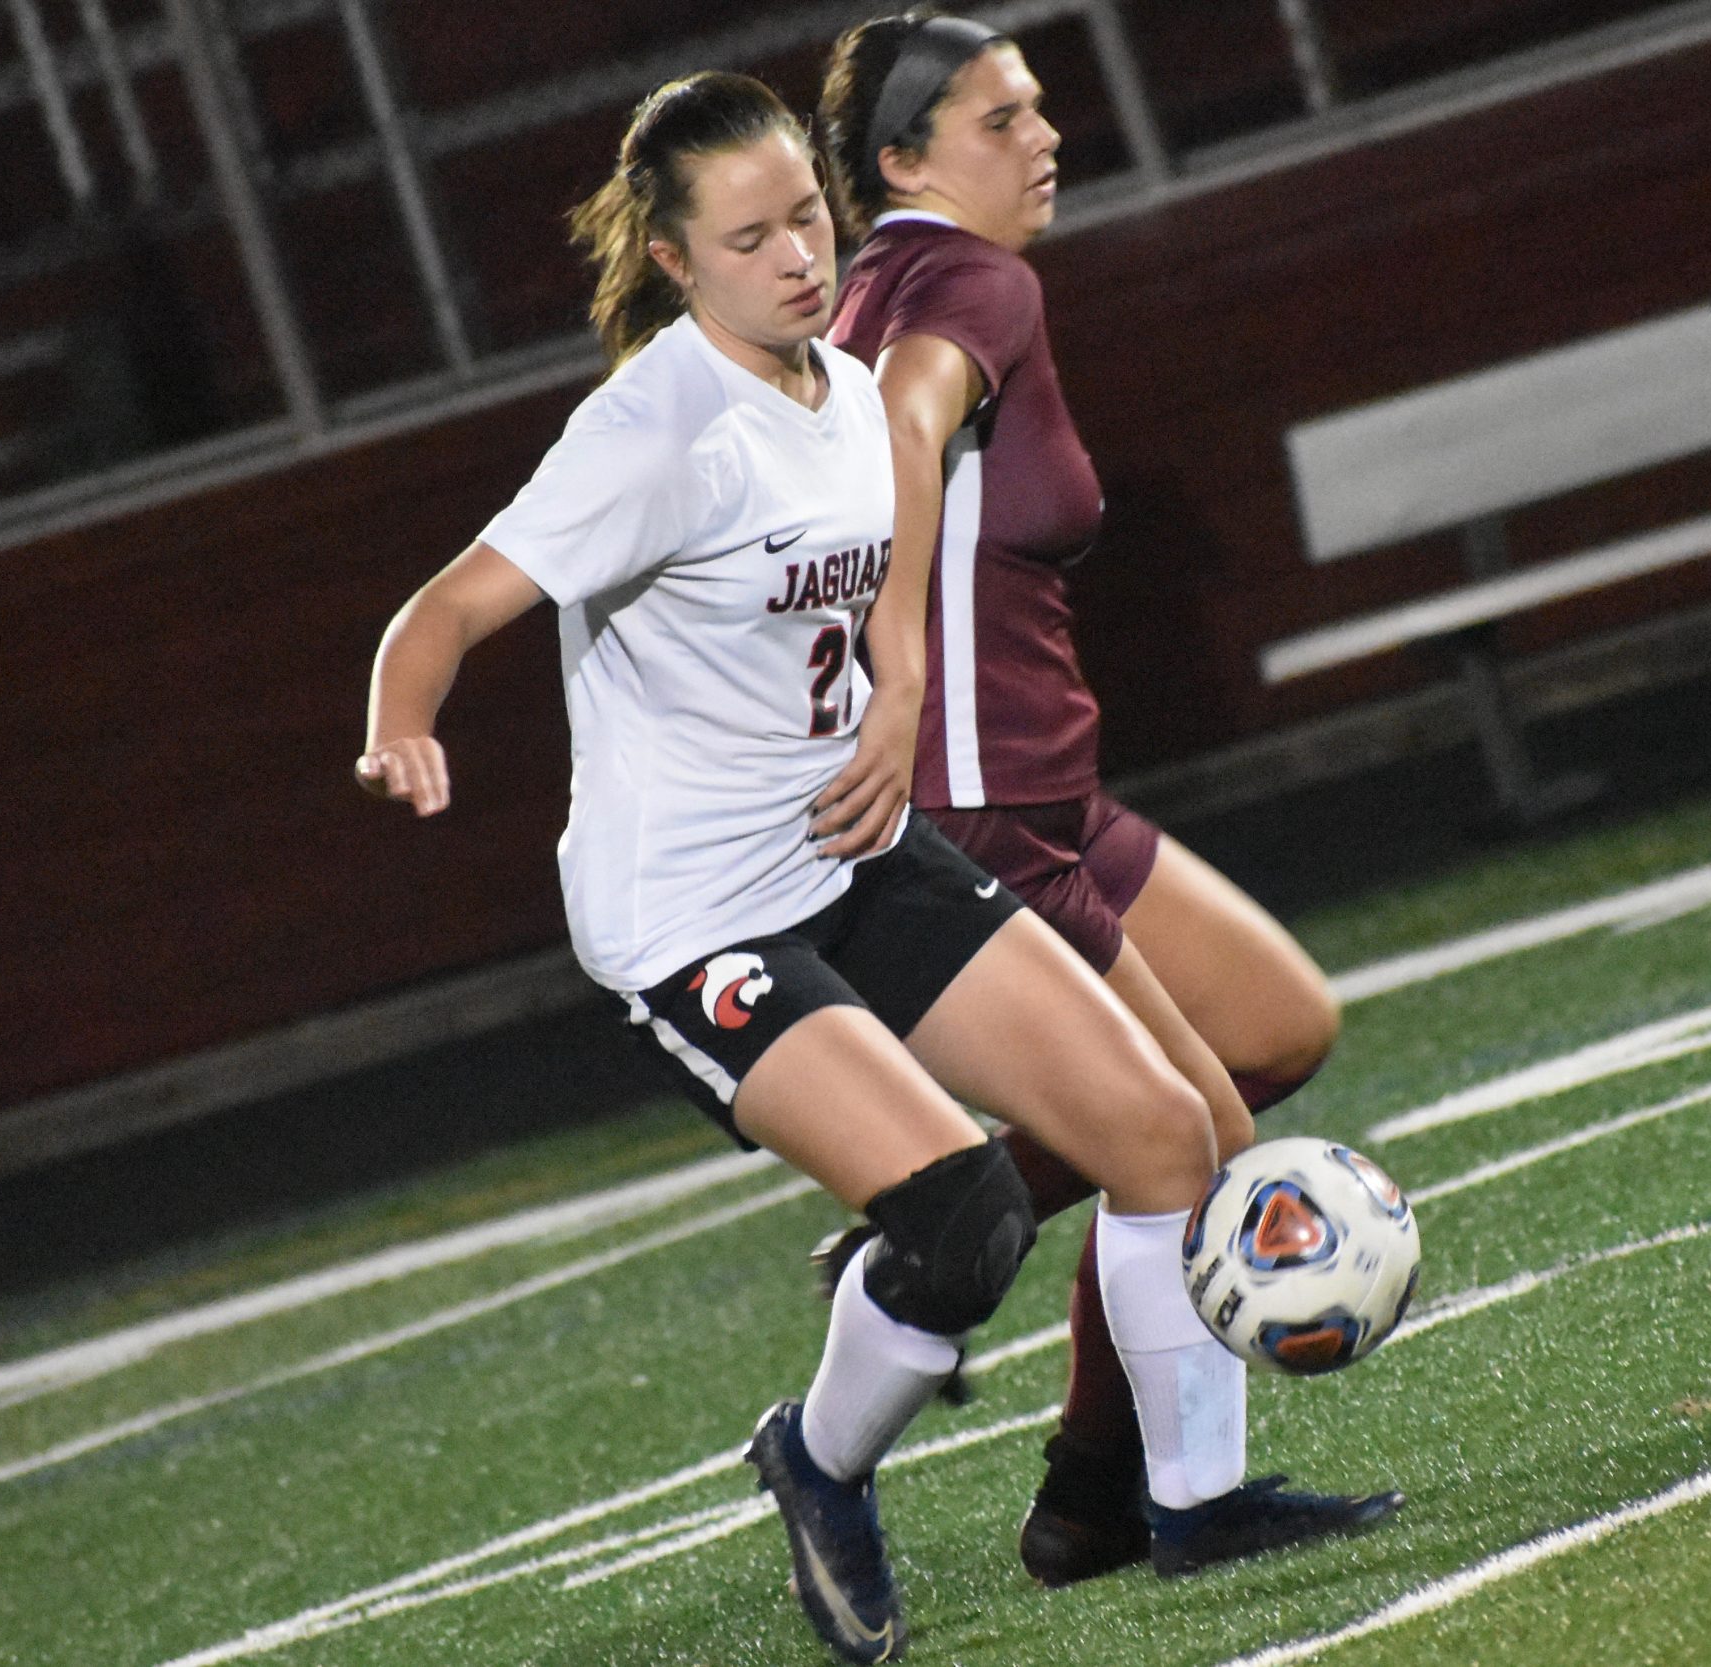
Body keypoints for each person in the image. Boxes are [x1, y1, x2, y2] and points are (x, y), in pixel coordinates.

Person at [355, 71, 1299, 1666]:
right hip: (695, 914)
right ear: (674, 260)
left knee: (1160, 1134)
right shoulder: (654, 430)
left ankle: (1199, 1505)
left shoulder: (846, 391)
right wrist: (404, 727)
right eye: (750, 237)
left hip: (852, 847)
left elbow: (876, 580)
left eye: (809, 215)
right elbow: (443, 610)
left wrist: (904, 694)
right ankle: (820, 1461)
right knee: (964, 1219)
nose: (798, 256)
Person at [816, 10, 1402, 1588]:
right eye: (999, 118)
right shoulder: (967, 282)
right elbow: (902, 425)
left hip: (1042, 782)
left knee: (1276, 1025)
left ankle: (969, 1211)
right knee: (1195, 1135)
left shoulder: (882, 283)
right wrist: (902, 659)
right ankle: (1131, 1499)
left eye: (1041, 107)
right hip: (987, 800)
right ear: (902, 163)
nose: (1044, 137)